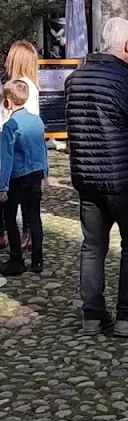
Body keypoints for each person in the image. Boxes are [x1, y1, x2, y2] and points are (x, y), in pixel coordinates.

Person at [65, 17, 128, 335]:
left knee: (93, 246)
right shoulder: (125, 81)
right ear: (127, 46)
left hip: (87, 175)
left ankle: (92, 315)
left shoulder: (75, 79)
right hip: (122, 177)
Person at [0, 80, 48, 276]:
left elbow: (6, 157)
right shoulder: (37, 120)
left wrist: (2, 185)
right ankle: (38, 259)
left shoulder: (10, 125)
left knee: (10, 217)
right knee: (34, 216)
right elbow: (42, 148)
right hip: (35, 174)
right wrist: (45, 172)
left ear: (8, 102)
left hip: (17, 177)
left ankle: (16, 258)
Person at [0, 41, 41, 252]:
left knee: (19, 199)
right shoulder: (22, 84)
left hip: (17, 151)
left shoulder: (24, 87)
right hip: (18, 150)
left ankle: (23, 238)